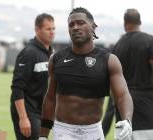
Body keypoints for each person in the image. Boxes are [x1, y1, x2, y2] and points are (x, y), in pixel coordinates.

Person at [38, 7, 133, 140]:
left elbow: (122, 95)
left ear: (93, 26)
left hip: (93, 131)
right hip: (64, 131)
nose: (75, 27)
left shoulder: (109, 60)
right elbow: (50, 98)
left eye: (80, 23)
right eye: (71, 25)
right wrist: (43, 135)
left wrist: (127, 120)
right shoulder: (56, 59)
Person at [112, 9, 153, 140]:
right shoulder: (150, 41)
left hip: (123, 105)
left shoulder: (117, 45)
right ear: (140, 22)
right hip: (145, 103)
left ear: (125, 24)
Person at [10, 13, 55, 140]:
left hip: (42, 112)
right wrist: (23, 118)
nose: (52, 32)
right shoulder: (28, 53)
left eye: (53, 28)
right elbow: (17, 88)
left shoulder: (51, 53)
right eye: (48, 29)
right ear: (37, 30)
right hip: (28, 112)